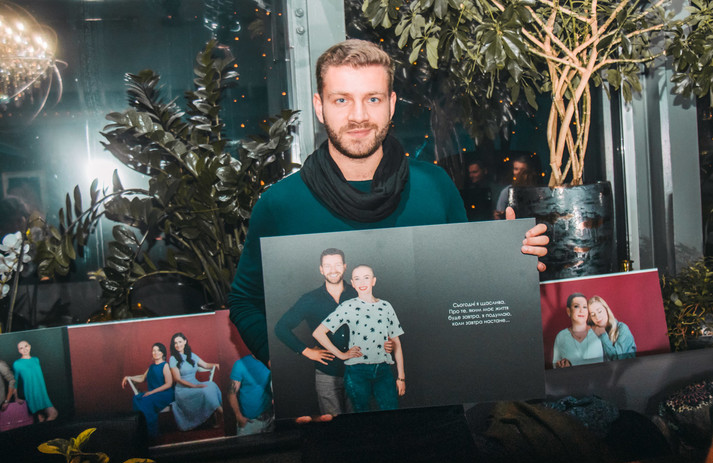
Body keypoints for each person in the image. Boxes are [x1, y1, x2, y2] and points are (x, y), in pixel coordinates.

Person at [228, 39, 549, 381]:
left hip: (436, 398)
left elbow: (463, 287)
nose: (359, 116)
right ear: (320, 107)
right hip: (332, 402)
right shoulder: (280, 204)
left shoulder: (435, 187)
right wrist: (283, 361)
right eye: (341, 100)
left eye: (373, 99)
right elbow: (244, 301)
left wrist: (513, 264)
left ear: (391, 105)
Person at [273, 248, 357, 415]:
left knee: (359, 423)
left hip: (358, 371)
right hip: (327, 373)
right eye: (327, 266)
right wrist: (306, 351)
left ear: (345, 266)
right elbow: (281, 328)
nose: (333, 270)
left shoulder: (358, 293)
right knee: (332, 426)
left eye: (337, 264)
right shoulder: (309, 299)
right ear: (321, 269)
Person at [313, 265, 405, 413]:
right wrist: (342, 355)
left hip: (383, 370)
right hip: (357, 371)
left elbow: (396, 342)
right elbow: (319, 333)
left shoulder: (386, 306)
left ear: (373, 281)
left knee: (391, 411)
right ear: (353, 283)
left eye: (366, 278)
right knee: (361, 414)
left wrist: (401, 377)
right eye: (357, 279)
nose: (362, 282)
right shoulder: (348, 306)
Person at [168, 332, 222, 431]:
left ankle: (220, 412)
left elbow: (205, 365)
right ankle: (222, 413)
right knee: (205, 390)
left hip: (196, 384)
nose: (178, 345)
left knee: (212, 385)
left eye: (180, 342)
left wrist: (217, 364)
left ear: (185, 342)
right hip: (183, 390)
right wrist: (195, 386)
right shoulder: (173, 358)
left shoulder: (191, 355)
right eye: (175, 343)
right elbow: (177, 379)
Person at [122, 342, 175, 437]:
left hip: (165, 393)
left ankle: (152, 432)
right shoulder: (151, 366)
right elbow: (142, 378)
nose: (156, 352)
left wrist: (151, 392)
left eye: (158, 350)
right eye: (154, 350)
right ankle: (141, 427)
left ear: (162, 353)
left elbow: (169, 384)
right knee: (136, 398)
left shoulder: (165, 365)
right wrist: (128, 377)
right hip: (153, 394)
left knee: (146, 401)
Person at [552, 294, 604, 368]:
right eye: (576, 306)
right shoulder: (561, 336)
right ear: (569, 311)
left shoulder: (599, 332)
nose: (581, 310)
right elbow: (555, 365)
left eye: (584, 307)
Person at [228, 354, 274, 436]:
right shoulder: (240, 364)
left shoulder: (271, 361)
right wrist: (239, 417)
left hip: (269, 419)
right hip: (249, 422)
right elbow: (231, 393)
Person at [12, 340, 58, 422]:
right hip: (31, 393)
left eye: (26, 346)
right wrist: (16, 397)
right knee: (42, 417)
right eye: (21, 348)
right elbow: (15, 381)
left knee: (52, 414)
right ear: (19, 351)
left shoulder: (36, 360)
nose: (24, 349)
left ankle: (43, 429)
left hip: (42, 393)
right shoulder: (17, 364)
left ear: (29, 346)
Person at [587, 295, 637, 360]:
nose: (597, 317)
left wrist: (603, 335)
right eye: (593, 315)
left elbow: (618, 359)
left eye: (599, 311)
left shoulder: (622, 329)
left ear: (606, 309)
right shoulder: (593, 333)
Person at [494, 153, 534, 219]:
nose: (519, 173)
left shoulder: (536, 191)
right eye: (516, 169)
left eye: (523, 170)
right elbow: (498, 217)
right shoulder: (506, 192)